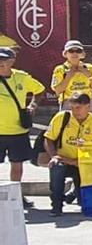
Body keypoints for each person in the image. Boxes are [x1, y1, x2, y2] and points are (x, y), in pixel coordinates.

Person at [43, 93, 92, 216]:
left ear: (88, 106)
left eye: (78, 107)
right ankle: (56, 206)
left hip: (84, 162)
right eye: (72, 107)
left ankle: (82, 199)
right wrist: (54, 156)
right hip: (63, 159)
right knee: (56, 169)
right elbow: (48, 138)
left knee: (85, 198)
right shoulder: (62, 117)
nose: (74, 111)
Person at [0, 47, 43, 207]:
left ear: (11, 61)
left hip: (17, 131)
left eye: (3, 60)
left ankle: (16, 195)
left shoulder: (22, 77)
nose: (0, 63)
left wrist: (33, 106)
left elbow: (40, 90)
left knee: (17, 166)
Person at [50, 40, 92, 108]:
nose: (75, 54)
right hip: (68, 102)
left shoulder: (89, 68)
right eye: (71, 51)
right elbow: (58, 91)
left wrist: (89, 76)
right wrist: (68, 77)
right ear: (65, 54)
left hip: (87, 102)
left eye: (78, 51)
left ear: (82, 54)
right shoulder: (60, 69)